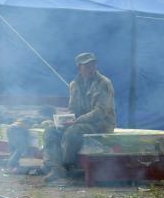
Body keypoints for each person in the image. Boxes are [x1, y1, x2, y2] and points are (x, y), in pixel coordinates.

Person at [43, 52, 116, 182]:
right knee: (51, 130)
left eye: (93, 64)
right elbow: (73, 108)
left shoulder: (104, 83)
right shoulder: (74, 84)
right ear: (79, 67)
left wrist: (76, 121)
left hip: (101, 124)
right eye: (87, 65)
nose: (91, 68)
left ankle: (66, 167)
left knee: (73, 131)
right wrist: (65, 119)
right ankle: (55, 168)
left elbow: (101, 111)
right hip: (80, 122)